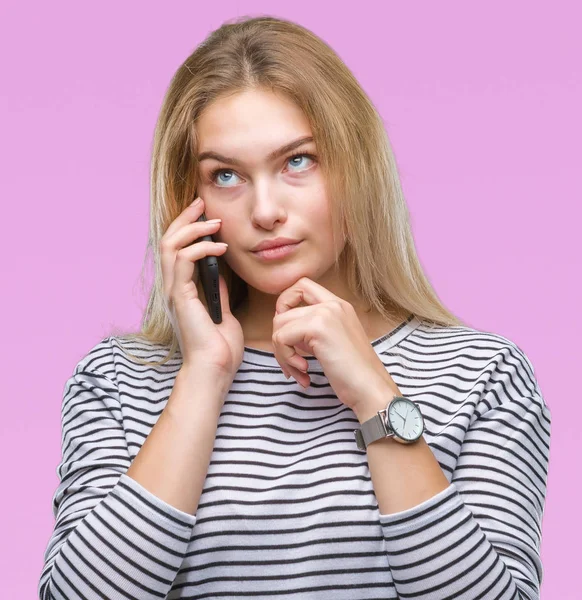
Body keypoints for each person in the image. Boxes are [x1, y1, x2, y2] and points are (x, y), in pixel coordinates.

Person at [38, 15, 551, 600]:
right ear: (192, 202)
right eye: (226, 174)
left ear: (355, 167)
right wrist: (204, 374)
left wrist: (375, 396)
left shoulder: (483, 376)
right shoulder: (120, 381)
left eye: (297, 161)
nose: (265, 210)